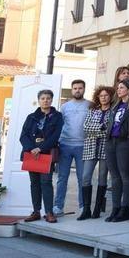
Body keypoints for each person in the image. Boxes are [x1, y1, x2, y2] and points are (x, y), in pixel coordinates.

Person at [20, 89, 63, 223]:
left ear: (52, 100)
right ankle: (36, 211)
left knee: (46, 182)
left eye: (48, 98)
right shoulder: (31, 117)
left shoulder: (57, 116)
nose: (46, 100)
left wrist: (41, 147)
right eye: (43, 98)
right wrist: (32, 148)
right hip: (32, 154)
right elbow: (23, 135)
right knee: (34, 183)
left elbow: (56, 136)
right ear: (39, 100)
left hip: (46, 153)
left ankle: (49, 212)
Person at [53, 79, 90, 217]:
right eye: (75, 88)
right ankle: (58, 206)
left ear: (84, 89)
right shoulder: (64, 107)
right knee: (62, 177)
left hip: (82, 145)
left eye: (80, 88)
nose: (77, 90)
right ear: (72, 89)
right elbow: (59, 125)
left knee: (83, 178)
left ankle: (82, 206)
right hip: (65, 145)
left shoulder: (90, 105)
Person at [106, 79, 129, 222]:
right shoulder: (115, 106)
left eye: (121, 87)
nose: (118, 90)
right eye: (118, 87)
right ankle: (115, 208)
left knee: (125, 175)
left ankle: (125, 208)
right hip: (111, 141)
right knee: (114, 176)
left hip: (126, 142)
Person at [79, 86, 115, 220]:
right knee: (85, 177)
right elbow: (86, 128)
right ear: (97, 97)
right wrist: (101, 127)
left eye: (106, 95)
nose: (104, 97)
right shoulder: (92, 110)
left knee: (102, 177)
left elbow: (110, 130)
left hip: (106, 147)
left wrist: (99, 129)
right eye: (101, 96)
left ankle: (97, 209)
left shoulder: (113, 111)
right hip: (90, 146)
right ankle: (86, 209)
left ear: (111, 96)